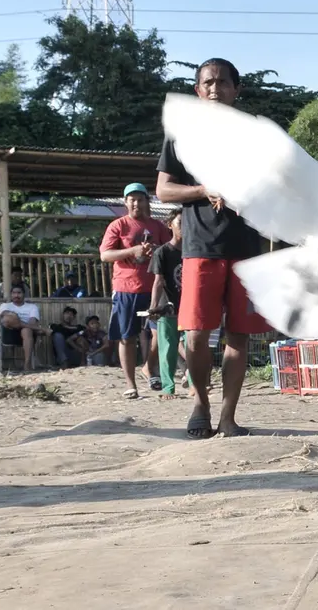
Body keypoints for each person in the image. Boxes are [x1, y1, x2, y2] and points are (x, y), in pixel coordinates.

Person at [156, 57, 270, 439]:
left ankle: (229, 417)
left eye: (223, 82)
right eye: (207, 82)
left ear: (237, 90)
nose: (215, 89)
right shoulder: (182, 137)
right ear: (197, 90)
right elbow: (164, 190)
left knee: (239, 336)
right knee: (196, 335)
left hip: (246, 249)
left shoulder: (255, 135)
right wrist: (204, 190)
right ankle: (200, 403)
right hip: (200, 247)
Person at [99, 182, 171, 399]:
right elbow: (105, 255)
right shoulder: (118, 226)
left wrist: (156, 250)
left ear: (147, 201)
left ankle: (149, 366)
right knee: (126, 337)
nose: (136, 203)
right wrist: (132, 250)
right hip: (125, 287)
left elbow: (170, 250)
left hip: (154, 288)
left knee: (162, 332)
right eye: (132, 199)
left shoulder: (158, 226)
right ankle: (130, 384)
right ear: (125, 202)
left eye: (140, 199)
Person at [148, 212, 184, 400]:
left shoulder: (193, 251)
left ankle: (195, 383)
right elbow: (158, 281)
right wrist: (154, 308)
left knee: (192, 345)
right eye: (180, 222)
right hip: (167, 306)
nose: (184, 226)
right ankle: (168, 387)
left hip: (188, 306)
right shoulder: (162, 252)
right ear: (170, 224)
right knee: (168, 347)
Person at [0, 286, 42, 370]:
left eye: (19, 293)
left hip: (28, 335)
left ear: (24, 294)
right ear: (11, 295)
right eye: (14, 293)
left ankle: (27, 363)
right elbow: (7, 319)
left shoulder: (32, 307)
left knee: (26, 330)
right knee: (9, 319)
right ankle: (41, 330)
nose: (16, 295)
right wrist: (13, 318)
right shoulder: (5, 306)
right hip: (9, 334)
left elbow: (32, 322)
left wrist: (16, 319)